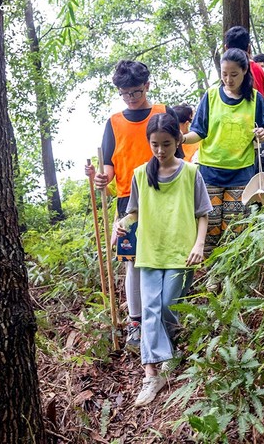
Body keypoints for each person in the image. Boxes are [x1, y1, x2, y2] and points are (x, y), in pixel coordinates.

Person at [117, 113, 212, 407]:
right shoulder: (140, 175)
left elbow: (203, 213)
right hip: (149, 250)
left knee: (170, 306)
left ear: (178, 141)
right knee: (150, 309)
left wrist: (199, 244)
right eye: (155, 144)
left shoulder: (190, 173)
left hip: (181, 251)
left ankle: (168, 352)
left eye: (166, 144)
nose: (160, 150)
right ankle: (151, 374)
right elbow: (133, 211)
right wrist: (123, 222)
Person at [86, 60, 178, 352]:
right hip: (129, 200)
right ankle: (135, 323)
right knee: (133, 264)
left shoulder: (163, 113)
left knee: (166, 258)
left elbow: (181, 155)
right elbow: (109, 163)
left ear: (147, 85)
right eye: (124, 93)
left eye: (135, 92)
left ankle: (167, 319)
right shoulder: (114, 122)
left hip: (164, 194)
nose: (130, 98)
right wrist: (102, 177)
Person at [182, 48, 264, 255]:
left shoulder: (255, 99)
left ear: (245, 71)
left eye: (234, 74)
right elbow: (198, 132)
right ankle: (212, 279)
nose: (228, 79)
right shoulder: (211, 96)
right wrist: (182, 139)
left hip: (241, 172)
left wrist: (262, 133)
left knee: (235, 228)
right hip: (210, 172)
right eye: (224, 74)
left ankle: (229, 275)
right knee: (209, 227)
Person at [224, 26, 264, 110]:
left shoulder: (226, 74)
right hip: (256, 118)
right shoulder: (259, 69)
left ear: (226, 48)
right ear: (248, 48)